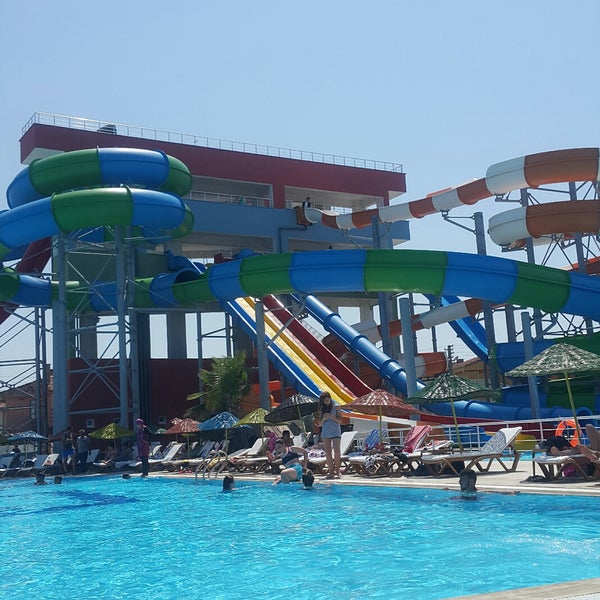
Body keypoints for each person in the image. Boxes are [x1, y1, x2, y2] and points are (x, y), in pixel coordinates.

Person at [316, 391, 343, 479]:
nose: (326, 402)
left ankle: (338, 470)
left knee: (337, 451)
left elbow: (340, 421)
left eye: (327, 400)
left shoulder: (336, 407)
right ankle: (331, 471)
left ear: (330, 399)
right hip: (326, 431)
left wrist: (331, 416)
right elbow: (320, 424)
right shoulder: (322, 409)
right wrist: (324, 418)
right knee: (328, 452)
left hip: (335, 431)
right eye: (324, 401)